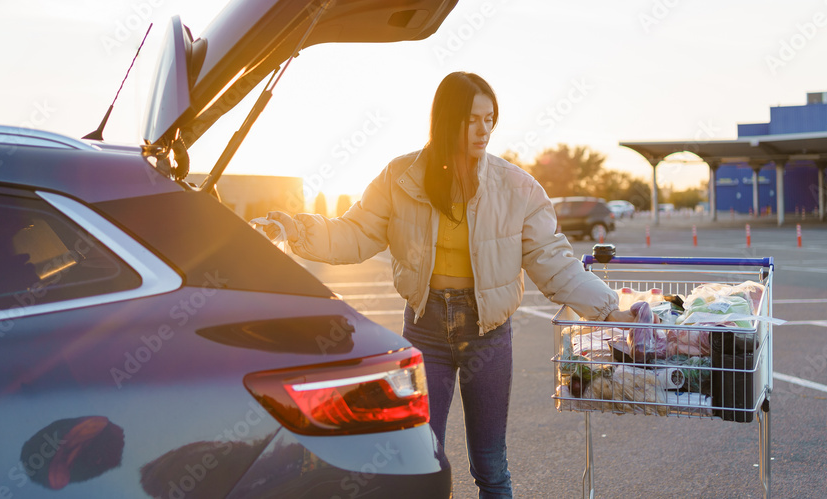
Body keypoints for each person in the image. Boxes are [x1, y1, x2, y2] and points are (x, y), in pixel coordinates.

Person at [266, 71, 634, 498]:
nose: (484, 130)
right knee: (421, 458)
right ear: (446, 120)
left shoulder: (515, 186)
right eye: (473, 119)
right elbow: (355, 233)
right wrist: (296, 230)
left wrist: (609, 309)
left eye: (490, 119)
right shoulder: (400, 177)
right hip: (425, 328)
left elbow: (553, 260)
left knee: (491, 466)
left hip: (488, 333)